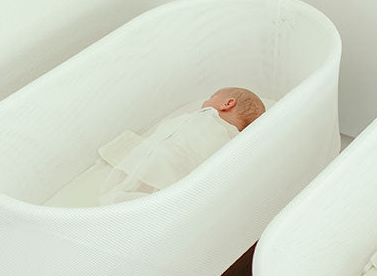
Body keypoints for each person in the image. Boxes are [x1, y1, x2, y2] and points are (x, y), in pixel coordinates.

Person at [97, 87, 265, 204]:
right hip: (174, 166)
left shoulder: (209, 117)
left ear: (227, 103)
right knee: (159, 187)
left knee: (137, 181)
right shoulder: (231, 144)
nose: (205, 102)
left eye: (211, 97)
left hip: (166, 158)